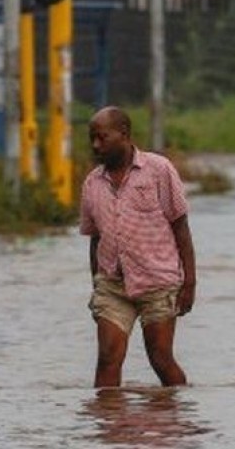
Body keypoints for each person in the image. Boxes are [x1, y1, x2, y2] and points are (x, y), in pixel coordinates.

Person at [79, 106, 197, 388]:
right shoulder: (92, 183)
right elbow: (95, 238)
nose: (96, 145)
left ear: (124, 134)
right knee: (107, 358)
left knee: (160, 358)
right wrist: (96, 284)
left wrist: (189, 282)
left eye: (102, 138)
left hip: (158, 281)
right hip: (112, 285)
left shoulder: (159, 170)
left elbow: (180, 227)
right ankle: (108, 427)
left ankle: (177, 417)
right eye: (92, 139)